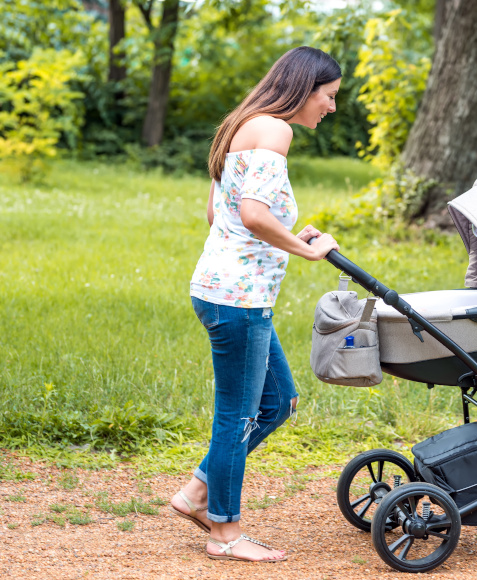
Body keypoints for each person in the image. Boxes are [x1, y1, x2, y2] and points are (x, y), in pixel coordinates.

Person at [169, 46, 342, 563]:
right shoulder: (276, 130)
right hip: (238, 300)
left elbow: (216, 214)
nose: (331, 107)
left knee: (278, 401)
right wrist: (307, 250)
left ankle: (197, 493)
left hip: (226, 292)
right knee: (238, 417)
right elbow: (251, 215)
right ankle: (224, 533)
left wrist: (287, 235)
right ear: (305, 88)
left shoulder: (240, 125)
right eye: (329, 96)